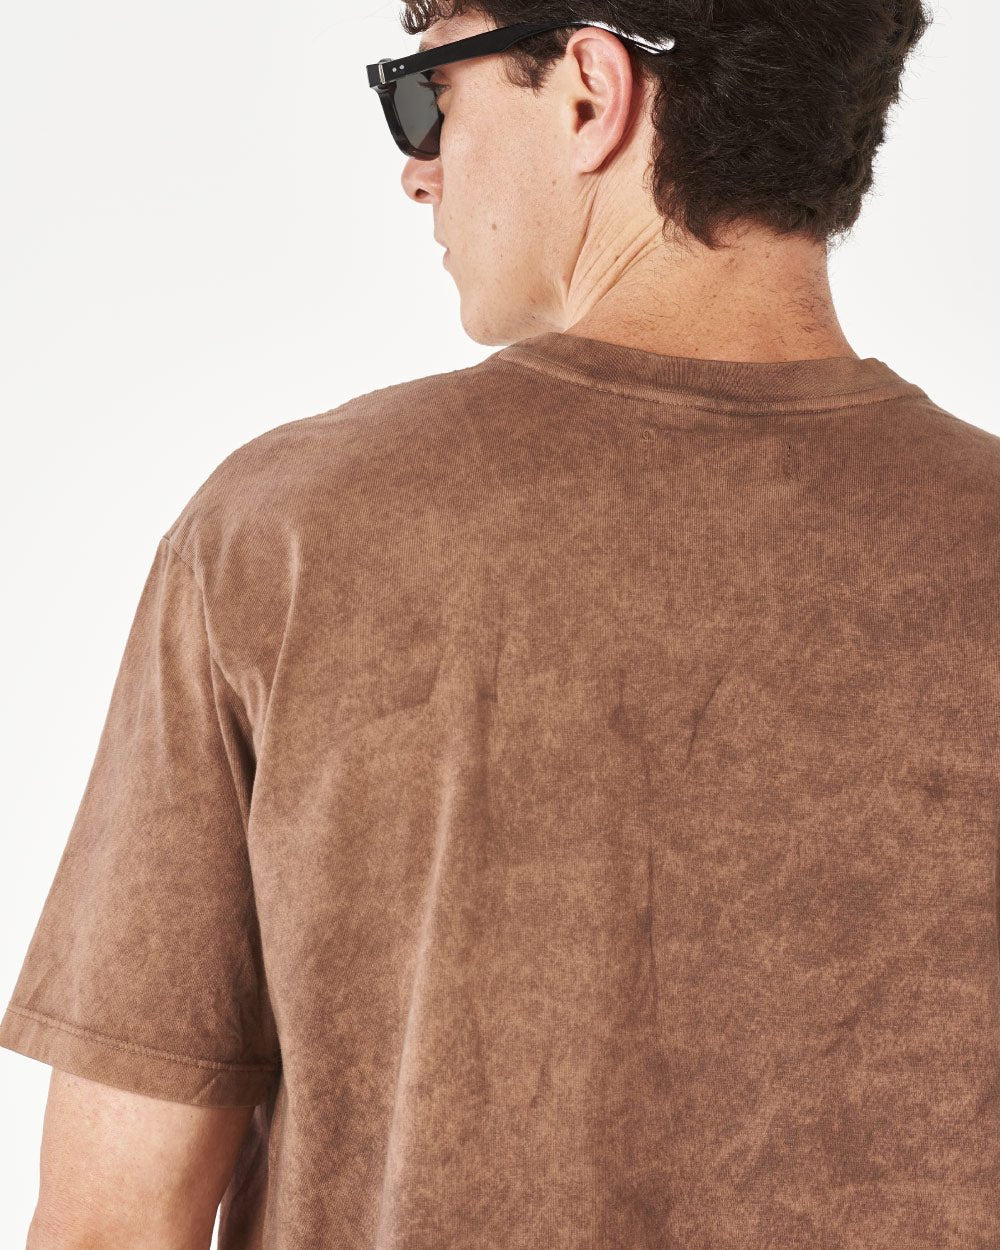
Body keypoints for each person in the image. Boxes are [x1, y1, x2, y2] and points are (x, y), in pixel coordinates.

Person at [4, 3, 997, 1247]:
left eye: (428, 91)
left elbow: (112, 1219)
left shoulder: (289, 531)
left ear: (589, 91)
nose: (416, 168)